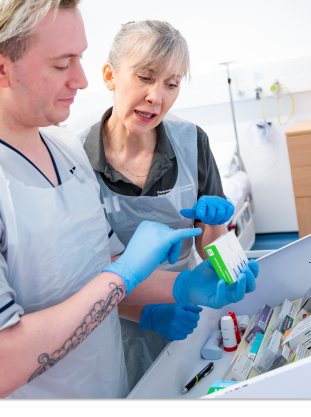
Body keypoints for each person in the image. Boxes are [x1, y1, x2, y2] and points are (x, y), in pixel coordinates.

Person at [0, 0, 259, 398]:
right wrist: (123, 276)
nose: (83, 79)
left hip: (107, 381)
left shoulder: (63, 150)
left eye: (81, 58)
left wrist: (180, 286)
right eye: (61, 63)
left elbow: (102, 262)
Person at [73, 20, 234, 390]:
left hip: (190, 306)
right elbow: (78, 276)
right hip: (112, 321)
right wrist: (144, 314)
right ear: (110, 76)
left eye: (172, 84)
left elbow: (210, 247)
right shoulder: (75, 159)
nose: (156, 97)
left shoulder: (191, 142)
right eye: (145, 77)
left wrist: (222, 239)